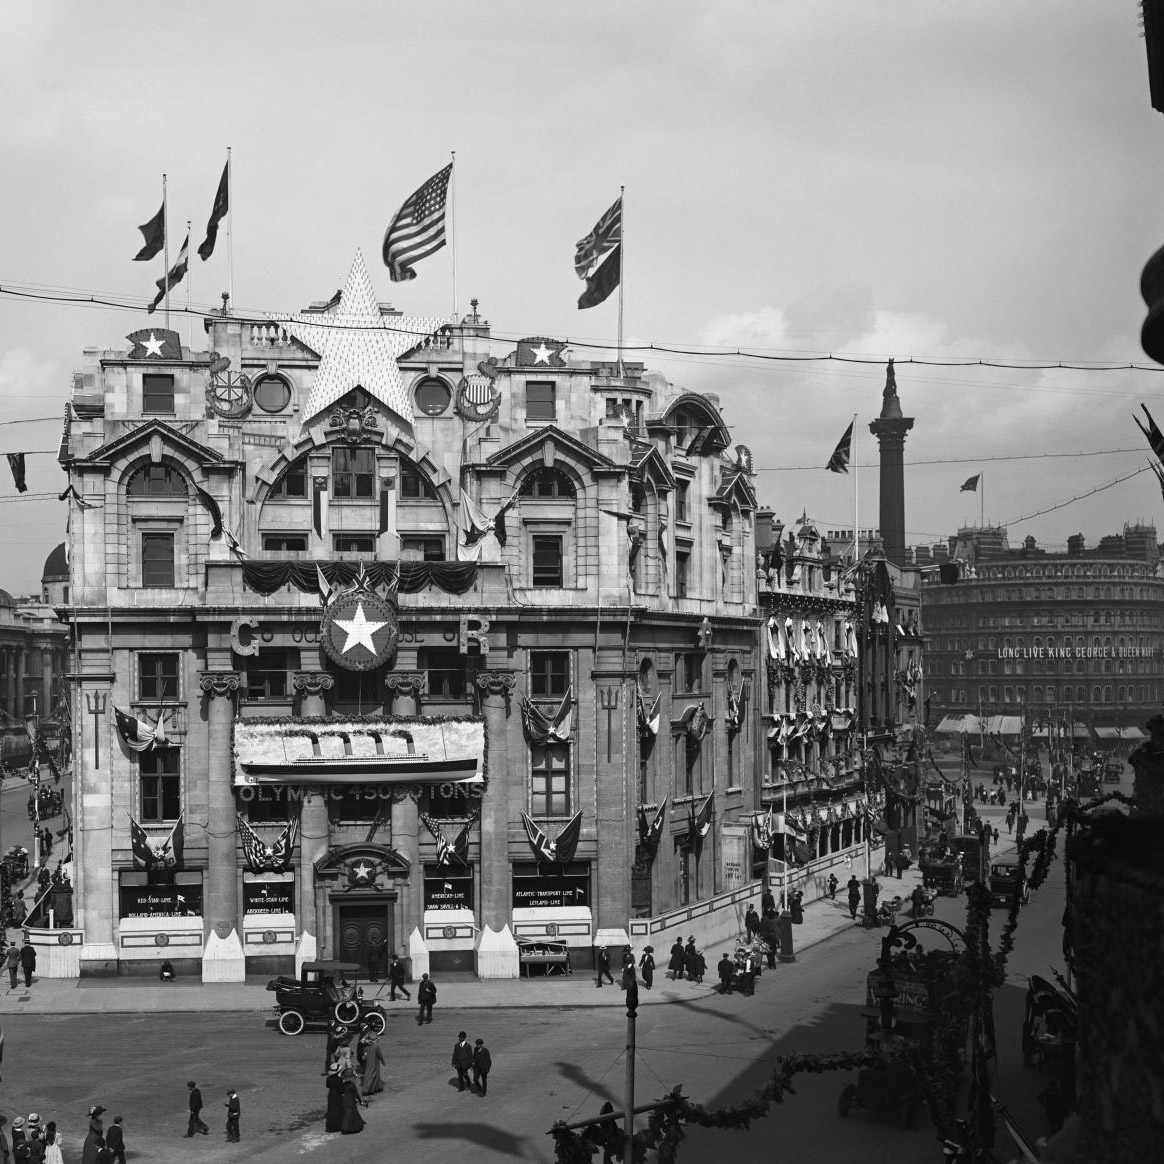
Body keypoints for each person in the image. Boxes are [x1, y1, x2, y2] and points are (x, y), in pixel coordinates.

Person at [339, 1070, 365, 1135]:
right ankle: (353, 1128)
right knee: (352, 1115)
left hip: (344, 1102)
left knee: (346, 1116)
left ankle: (345, 1128)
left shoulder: (342, 1085)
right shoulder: (352, 1085)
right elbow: (356, 1094)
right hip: (351, 1102)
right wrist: (360, 1101)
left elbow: (341, 1092)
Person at [360, 1031, 385, 1097]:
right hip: (375, 1063)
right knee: (374, 1075)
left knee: (369, 1075)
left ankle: (372, 1089)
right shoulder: (376, 1046)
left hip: (368, 1063)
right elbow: (380, 1055)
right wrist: (383, 1061)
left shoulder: (366, 1047)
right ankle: (368, 1090)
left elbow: (363, 1057)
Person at [324, 1066, 344, 1133]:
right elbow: (341, 1089)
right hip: (337, 1095)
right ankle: (337, 1125)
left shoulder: (328, 1078)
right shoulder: (339, 1079)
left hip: (331, 1094)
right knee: (338, 1110)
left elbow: (328, 1086)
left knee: (331, 1109)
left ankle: (330, 1126)